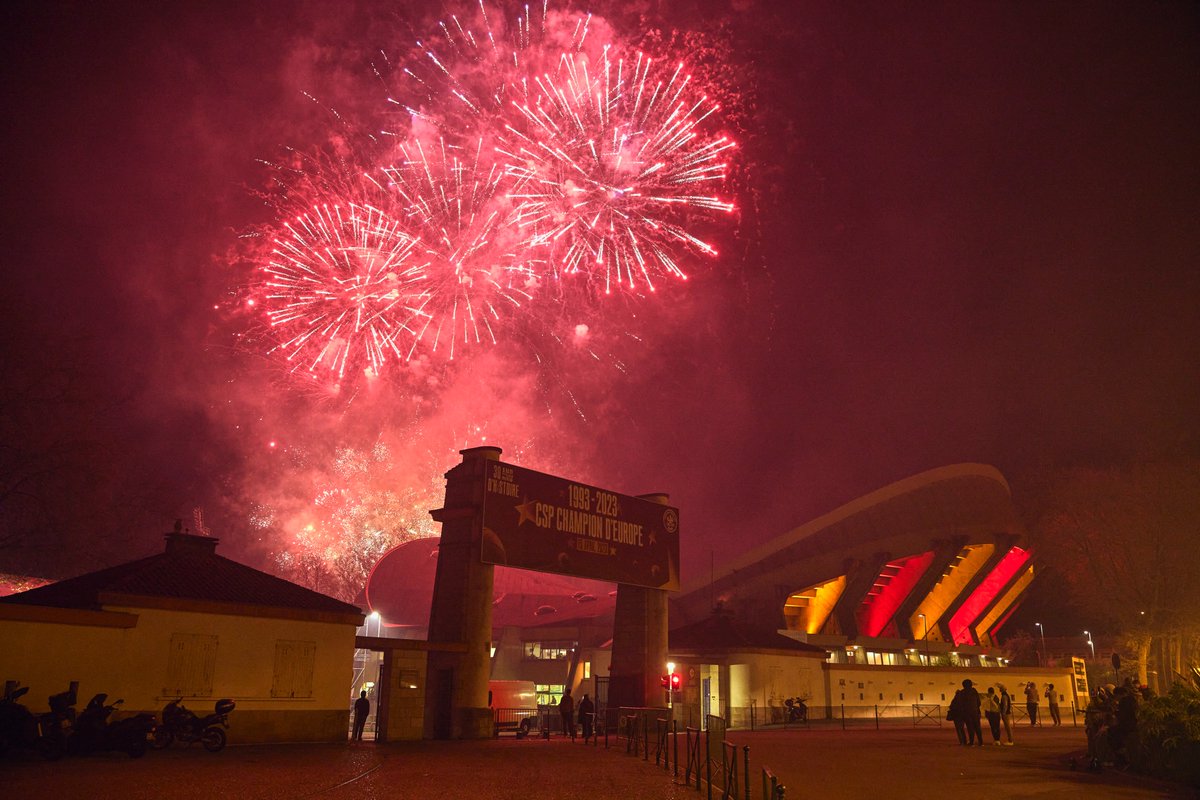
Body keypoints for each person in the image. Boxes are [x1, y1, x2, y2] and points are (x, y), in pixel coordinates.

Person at [959, 679, 984, 746]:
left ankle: (972, 742)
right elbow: (979, 702)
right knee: (977, 727)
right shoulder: (974, 691)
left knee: (970, 728)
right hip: (975, 712)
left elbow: (961, 703)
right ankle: (981, 742)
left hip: (967, 713)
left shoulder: (962, 692)